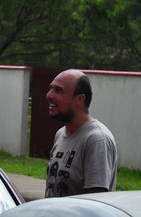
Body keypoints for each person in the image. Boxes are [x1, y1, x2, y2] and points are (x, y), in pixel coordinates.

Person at [45, 69, 118, 197]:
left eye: (58, 90)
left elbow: (95, 201)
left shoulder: (96, 140)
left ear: (79, 99)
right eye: (51, 88)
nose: (49, 95)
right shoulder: (60, 134)